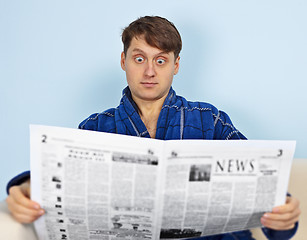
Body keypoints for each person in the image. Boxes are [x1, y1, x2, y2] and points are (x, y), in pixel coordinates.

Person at [6, 16, 300, 240]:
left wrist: (282, 214)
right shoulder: (94, 128)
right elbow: (59, 183)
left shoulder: (211, 121)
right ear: (124, 61)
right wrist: (28, 188)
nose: (149, 71)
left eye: (161, 60)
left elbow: (263, 192)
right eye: (139, 58)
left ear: (176, 65)